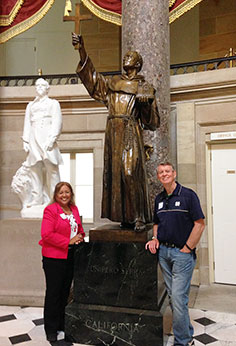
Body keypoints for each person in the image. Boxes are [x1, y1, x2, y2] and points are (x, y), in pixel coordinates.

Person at [72, 33, 160, 232]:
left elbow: (152, 122)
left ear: (137, 64)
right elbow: (93, 80)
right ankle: (126, 217)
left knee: (129, 172)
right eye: (125, 56)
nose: (125, 58)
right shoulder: (113, 84)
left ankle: (138, 216)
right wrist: (81, 50)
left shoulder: (144, 87)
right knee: (116, 175)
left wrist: (145, 106)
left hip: (130, 130)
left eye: (130, 57)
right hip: (113, 131)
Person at [145, 162, 205, 346]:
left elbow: (199, 223)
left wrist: (187, 247)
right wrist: (155, 238)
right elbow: (156, 223)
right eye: (161, 172)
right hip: (163, 252)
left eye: (167, 171)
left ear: (174, 173)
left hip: (182, 254)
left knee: (178, 298)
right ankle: (186, 334)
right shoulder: (159, 199)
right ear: (158, 176)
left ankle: (183, 341)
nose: (164, 174)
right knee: (174, 297)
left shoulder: (188, 195)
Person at [39, 182, 85, 342]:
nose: (64, 195)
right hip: (54, 258)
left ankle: (61, 324)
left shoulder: (74, 209)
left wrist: (80, 236)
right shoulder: (50, 210)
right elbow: (47, 234)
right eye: (61, 192)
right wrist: (69, 241)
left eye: (67, 192)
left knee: (65, 292)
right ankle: (50, 330)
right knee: (53, 293)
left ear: (71, 194)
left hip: (70, 256)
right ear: (56, 195)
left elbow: (79, 229)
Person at [22, 78, 63, 206]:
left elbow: (57, 121)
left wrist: (52, 139)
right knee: (34, 168)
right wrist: (26, 140)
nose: (39, 87)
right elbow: (27, 123)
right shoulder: (31, 105)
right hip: (34, 137)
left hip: (47, 137)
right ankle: (37, 198)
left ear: (47, 88)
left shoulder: (53, 103)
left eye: (42, 85)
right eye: (37, 85)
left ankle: (54, 198)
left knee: (52, 168)